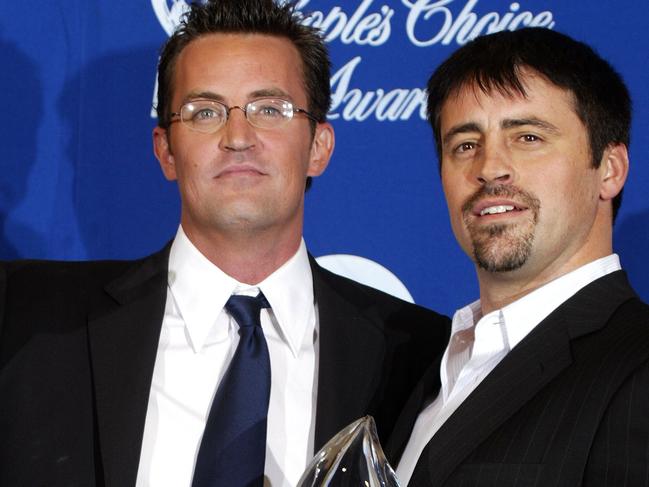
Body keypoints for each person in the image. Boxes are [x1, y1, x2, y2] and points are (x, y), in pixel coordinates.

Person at [0, 1, 449, 486]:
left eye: (270, 109)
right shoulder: (23, 314)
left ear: (319, 147)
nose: (238, 136)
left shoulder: (422, 357)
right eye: (205, 111)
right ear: (166, 151)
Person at [386, 27, 649, 486]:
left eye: (527, 137)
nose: (489, 167)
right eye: (465, 145)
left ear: (609, 170)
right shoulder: (427, 373)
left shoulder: (639, 368)